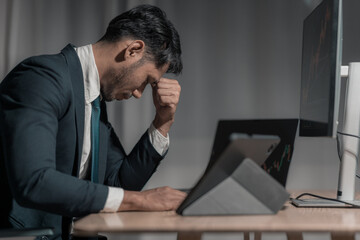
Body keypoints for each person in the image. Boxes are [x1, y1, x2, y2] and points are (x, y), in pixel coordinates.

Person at [0, 4, 187, 240]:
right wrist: (143, 200)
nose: (140, 93)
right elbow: (34, 181)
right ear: (133, 50)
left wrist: (162, 122)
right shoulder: (41, 78)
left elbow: (117, 184)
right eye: (147, 80)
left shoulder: (92, 99)